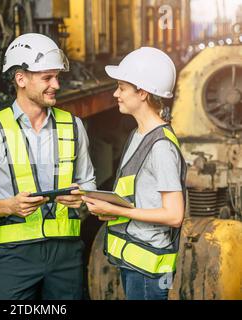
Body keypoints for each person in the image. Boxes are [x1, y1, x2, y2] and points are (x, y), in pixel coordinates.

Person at [0, 33, 96, 300]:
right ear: (20, 79)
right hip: (14, 257)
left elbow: (89, 183)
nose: (56, 85)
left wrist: (82, 199)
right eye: (47, 78)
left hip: (66, 256)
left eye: (57, 76)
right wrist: (5, 206)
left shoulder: (73, 126)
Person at [82, 47, 187, 300]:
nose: (116, 93)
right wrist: (105, 205)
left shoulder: (160, 147)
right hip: (135, 260)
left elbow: (174, 215)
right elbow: (138, 194)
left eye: (121, 87)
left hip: (149, 268)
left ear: (142, 92)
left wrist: (118, 211)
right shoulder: (137, 136)